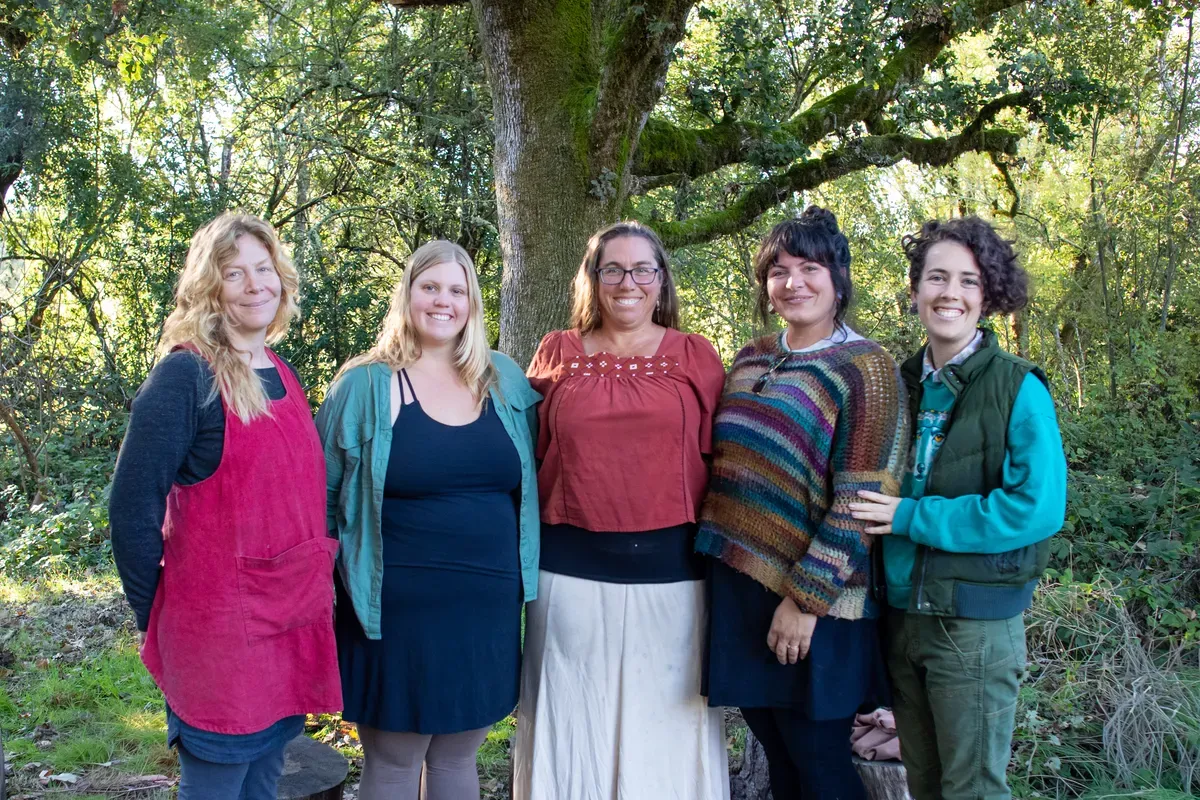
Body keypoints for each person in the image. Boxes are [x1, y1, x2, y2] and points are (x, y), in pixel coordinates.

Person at [110, 212, 341, 799]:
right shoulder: (185, 377)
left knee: (264, 783)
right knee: (217, 786)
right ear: (209, 288)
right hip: (218, 640)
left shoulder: (282, 372)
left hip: (286, 623)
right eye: (234, 273)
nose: (254, 284)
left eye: (263, 269)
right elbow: (131, 512)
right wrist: (157, 614)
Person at [695, 207, 910, 800]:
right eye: (779, 270)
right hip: (740, 585)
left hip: (818, 601)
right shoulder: (751, 356)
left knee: (821, 768)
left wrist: (805, 600)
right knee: (781, 762)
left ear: (838, 277)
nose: (793, 283)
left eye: (810, 267)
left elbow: (865, 498)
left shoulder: (867, 368)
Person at [849, 216, 1067, 800]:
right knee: (922, 784)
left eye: (968, 281)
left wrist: (910, 517)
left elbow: (1036, 509)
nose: (950, 293)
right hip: (900, 618)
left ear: (988, 295)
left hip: (972, 625)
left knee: (971, 789)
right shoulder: (896, 383)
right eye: (937, 277)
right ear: (916, 289)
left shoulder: (1017, 387)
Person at [316, 240, 541, 800]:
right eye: (430, 287)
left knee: (457, 758)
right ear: (408, 295)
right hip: (393, 610)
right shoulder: (366, 384)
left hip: (485, 607)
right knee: (395, 761)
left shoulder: (504, 380)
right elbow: (319, 498)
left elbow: (543, 471)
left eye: (457, 290)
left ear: (473, 303)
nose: (444, 301)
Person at [512, 221, 729, 800]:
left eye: (641, 270)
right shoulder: (556, 352)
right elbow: (524, 453)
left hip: (674, 577)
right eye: (613, 269)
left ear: (660, 281)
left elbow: (724, 458)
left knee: (666, 729)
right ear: (593, 279)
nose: (627, 282)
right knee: (571, 722)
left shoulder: (695, 355)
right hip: (568, 575)